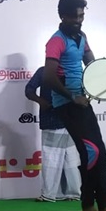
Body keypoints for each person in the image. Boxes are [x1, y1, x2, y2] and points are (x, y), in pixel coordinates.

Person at [43, 0, 106, 211]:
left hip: (82, 101)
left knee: (98, 151)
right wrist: (72, 97)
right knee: (90, 152)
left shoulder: (82, 37)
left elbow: (94, 69)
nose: (78, 20)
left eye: (81, 16)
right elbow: (49, 77)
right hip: (67, 104)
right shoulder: (56, 41)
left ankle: (105, 204)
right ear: (62, 16)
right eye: (74, 17)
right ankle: (87, 206)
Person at [24, 67, 81, 202]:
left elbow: (29, 90)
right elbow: (29, 90)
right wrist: (41, 101)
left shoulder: (69, 70)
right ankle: (71, 193)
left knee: (64, 158)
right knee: (67, 158)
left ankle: (52, 194)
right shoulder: (47, 71)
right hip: (56, 119)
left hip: (69, 119)